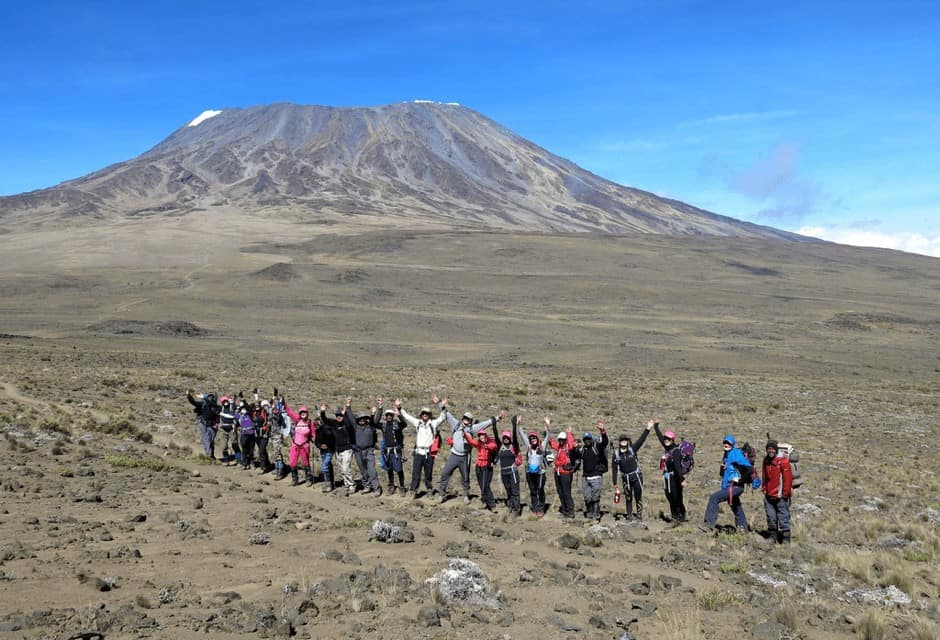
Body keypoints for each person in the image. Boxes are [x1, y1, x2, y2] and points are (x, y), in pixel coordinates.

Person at [436, 396, 507, 503]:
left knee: (465, 477)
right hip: (454, 455)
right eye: (465, 418)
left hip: (465, 457)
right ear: (462, 418)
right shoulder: (455, 424)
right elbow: (446, 413)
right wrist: (440, 403)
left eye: (468, 419)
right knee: (445, 473)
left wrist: (499, 417)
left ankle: (465, 495)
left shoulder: (472, 428)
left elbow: (486, 423)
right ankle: (441, 493)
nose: (466, 420)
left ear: (471, 421)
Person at [398, 399, 447, 498]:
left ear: (429, 415)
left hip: (429, 453)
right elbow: (407, 416)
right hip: (418, 452)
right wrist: (400, 408)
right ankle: (413, 490)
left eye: (427, 413)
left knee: (428, 473)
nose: (425, 414)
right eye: (423, 413)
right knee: (416, 473)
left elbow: (443, 417)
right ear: (421, 415)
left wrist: (441, 405)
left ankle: (429, 490)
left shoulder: (433, 424)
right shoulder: (418, 423)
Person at [701, 434, 751, 532]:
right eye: (725, 442)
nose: (726, 444)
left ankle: (708, 525)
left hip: (735, 486)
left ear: (732, 444)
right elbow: (723, 474)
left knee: (714, 498)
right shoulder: (726, 455)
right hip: (730, 486)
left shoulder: (735, 454)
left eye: (728, 443)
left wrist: (740, 480)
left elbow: (749, 469)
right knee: (735, 505)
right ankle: (743, 527)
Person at [611, 421, 653, 521]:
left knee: (638, 496)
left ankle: (639, 515)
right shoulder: (616, 454)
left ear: (628, 441)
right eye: (622, 440)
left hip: (636, 476)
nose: (624, 441)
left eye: (625, 440)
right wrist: (615, 482)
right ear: (620, 442)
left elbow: (641, 440)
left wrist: (648, 428)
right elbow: (614, 469)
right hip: (626, 479)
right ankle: (629, 515)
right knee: (628, 498)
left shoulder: (632, 449)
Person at [320, 401, 356, 495]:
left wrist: (346, 415)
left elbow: (349, 424)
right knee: (342, 470)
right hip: (338, 450)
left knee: (346, 468)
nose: (339, 417)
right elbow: (325, 420)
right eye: (337, 415)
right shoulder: (334, 424)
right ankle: (346, 485)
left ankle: (352, 485)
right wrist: (323, 412)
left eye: (340, 415)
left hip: (347, 449)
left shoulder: (346, 424)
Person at [653, 422, 687, 524]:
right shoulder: (667, 449)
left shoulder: (675, 451)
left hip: (675, 478)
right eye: (665, 439)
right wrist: (656, 427)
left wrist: (682, 479)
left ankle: (680, 517)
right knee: (669, 497)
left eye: (668, 439)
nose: (666, 440)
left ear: (672, 440)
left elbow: (677, 466)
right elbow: (660, 438)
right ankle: (674, 518)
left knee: (676, 498)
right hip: (667, 477)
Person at [516, 415, 549, 517]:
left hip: (540, 474)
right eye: (531, 438)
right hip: (530, 473)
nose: (533, 439)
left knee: (540, 491)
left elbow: (548, 436)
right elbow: (522, 435)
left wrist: (548, 425)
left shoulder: (542, 447)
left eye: (534, 438)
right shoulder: (529, 447)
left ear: (537, 439)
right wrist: (518, 424)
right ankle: (535, 507)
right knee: (533, 491)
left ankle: (541, 508)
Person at [575, 422, 609, 520]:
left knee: (595, 497)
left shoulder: (596, 446)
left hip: (596, 476)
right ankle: (589, 513)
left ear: (591, 439)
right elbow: (574, 455)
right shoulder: (583, 449)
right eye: (585, 439)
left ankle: (596, 514)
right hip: (585, 477)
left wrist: (602, 431)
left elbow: (604, 443)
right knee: (587, 497)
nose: (587, 441)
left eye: (588, 439)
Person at [761, 440, 793, 544]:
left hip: (780, 496)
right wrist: (764, 488)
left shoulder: (783, 462)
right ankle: (772, 537)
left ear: (776, 450)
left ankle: (785, 538)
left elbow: (787, 480)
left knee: (783, 517)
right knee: (771, 517)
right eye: (769, 449)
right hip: (769, 495)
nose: (771, 451)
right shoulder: (766, 461)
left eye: (772, 449)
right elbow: (764, 476)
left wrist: (785, 494)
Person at [546, 417, 576, 518]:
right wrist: (547, 427)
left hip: (565, 473)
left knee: (566, 492)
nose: (561, 441)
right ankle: (564, 509)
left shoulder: (568, 448)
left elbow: (571, 445)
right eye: (560, 440)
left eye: (563, 440)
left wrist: (569, 434)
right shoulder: (559, 447)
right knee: (560, 491)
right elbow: (549, 442)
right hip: (558, 472)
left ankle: (570, 510)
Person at [375, 400, 407, 495]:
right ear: (385, 416)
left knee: (399, 469)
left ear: (392, 416)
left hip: (396, 450)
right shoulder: (383, 425)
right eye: (387, 415)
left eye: (390, 415)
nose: (389, 416)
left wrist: (399, 415)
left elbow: (404, 424)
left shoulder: (397, 424)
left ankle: (401, 487)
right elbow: (375, 422)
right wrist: (380, 407)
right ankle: (391, 486)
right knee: (389, 469)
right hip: (387, 451)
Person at [465, 423, 498, 510]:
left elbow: (494, 446)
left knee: (485, 486)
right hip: (478, 467)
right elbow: (470, 441)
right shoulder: (478, 444)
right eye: (480, 436)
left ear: (486, 436)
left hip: (486, 467)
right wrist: (464, 434)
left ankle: (492, 505)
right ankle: (484, 501)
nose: (481, 437)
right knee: (481, 485)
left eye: (483, 435)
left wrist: (486, 446)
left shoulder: (490, 443)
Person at [351, 405, 382, 496]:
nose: (361, 421)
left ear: (366, 419)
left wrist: (379, 408)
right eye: (360, 419)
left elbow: (377, 419)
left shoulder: (371, 426)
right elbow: (350, 417)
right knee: (363, 470)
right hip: (358, 451)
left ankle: (376, 488)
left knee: (371, 470)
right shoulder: (356, 427)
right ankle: (367, 486)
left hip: (369, 451)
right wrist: (348, 405)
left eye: (363, 419)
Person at [283, 401, 316, 486]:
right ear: (299, 413)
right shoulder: (297, 420)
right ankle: (295, 480)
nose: (303, 413)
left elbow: (313, 434)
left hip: (305, 445)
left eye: (304, 412)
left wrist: (314, 438)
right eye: (301, 412)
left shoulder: (310, 423)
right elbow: (289, 412)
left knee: (305, 462)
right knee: (293, 462)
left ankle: (308, 479)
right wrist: (283, 403)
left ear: (307, 413)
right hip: (295, 445)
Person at [496, 425, 523, 516]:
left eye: (508, 437)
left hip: (512, 472)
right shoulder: (500, 447)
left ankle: (517, 509)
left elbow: (515, 438)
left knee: (515, 491)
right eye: (504, 438)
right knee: (508, 490)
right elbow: (496, 436)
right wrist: (494, 423)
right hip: (504, 472)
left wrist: (514, 424)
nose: (506, 439)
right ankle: (510, 506)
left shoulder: (513, 447)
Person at [186, 389, 220, 460]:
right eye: (209, 396)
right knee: (206, 439)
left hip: (212, 425)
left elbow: (216, 408)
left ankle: (211, 454)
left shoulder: (216, 406)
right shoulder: (203, 404)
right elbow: (194, 402)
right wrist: (189, 396)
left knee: (211, 441)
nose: (211, 398)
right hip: (203, 423)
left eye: (212, 396)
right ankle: (208, 455)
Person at [217, 396, 238, 465]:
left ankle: (239, 459)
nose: (225, 402)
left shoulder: (232, 407)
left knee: (234, 444)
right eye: (223, 401)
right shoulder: (221, 408)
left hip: (232, 428)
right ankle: (226, 460)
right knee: (223, 446)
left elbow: (237, 412)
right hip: (223, 429)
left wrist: (233, 401)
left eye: (226, 401)